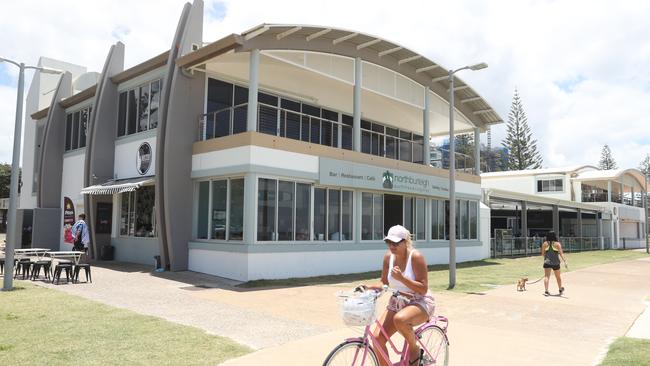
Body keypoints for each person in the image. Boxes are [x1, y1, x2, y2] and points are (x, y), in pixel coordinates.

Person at [361, 225, 435, 366]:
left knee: (400, 319)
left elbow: (423, 289)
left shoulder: (416, 257)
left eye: (396, 243)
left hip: (419, 301)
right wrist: (369, 287)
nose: (392, 246)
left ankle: (414, 348)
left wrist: (402, 279)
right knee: (377, 339)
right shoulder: (389, 257)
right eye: (389, 242)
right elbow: (384, 282)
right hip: (398, 301)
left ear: (405, 241)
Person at [541, 231, 567, 296]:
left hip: (547, 262)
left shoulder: (545, 244)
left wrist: (546, 258)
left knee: (546, 276)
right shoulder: (557, 244)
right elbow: (561, 253)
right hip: (556, 263)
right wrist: (565, 261)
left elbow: (542, 254)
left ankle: (546, 291)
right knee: (558, 277)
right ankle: (560, 289)